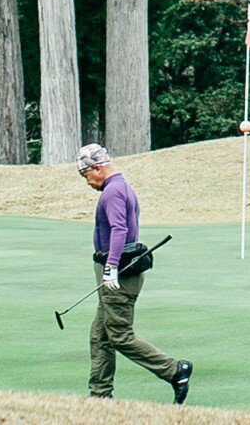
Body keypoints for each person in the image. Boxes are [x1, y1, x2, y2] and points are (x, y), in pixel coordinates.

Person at [78, 143, 192, 404]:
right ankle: (99, 394)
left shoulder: (113, 192)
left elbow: (119, 230)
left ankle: (175, 370)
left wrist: (110, 267)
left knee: (119, 335)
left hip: (119, 274)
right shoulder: (121, 187)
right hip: (119, 271)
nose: (87, 182)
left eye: (86, 175)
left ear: (97, 168)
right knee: (100, 335)